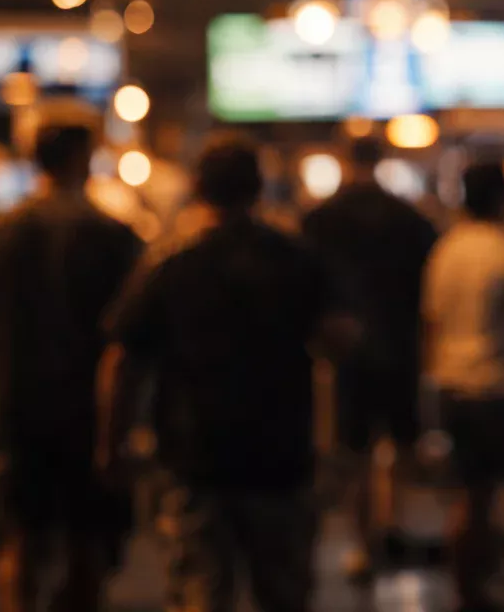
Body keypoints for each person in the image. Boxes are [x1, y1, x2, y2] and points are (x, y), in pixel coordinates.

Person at [98, 134, 359, 612]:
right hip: (280, 456)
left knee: (201, 592)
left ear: (199, 189)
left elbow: (125, 361)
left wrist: (112, 445)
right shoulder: (296, 259)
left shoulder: (171, 264)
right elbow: (340, 338)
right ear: (259, 189)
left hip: (195, 458)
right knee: (283, 594)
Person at [0, 117, 141, 612]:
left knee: (20, 535)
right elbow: (131, 337)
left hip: (15, 404)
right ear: (82, 159)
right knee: (86, 541)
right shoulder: (113, 237)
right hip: (89, 409)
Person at [301, 136, 437, 577]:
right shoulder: (408, 219)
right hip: (400, 346)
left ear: (344, 160)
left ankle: (363, 542)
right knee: (398, 444)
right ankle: (390, 523)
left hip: (348, 353)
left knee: (354, 449)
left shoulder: (322, 219)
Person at [422, 161, 504, 610]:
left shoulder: (445, 249)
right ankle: (483, 586)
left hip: (453, 386)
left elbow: (430, 322)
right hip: (501, 389)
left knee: (471, 493)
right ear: (502, 198)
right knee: (502, 494)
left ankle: (468, 587)